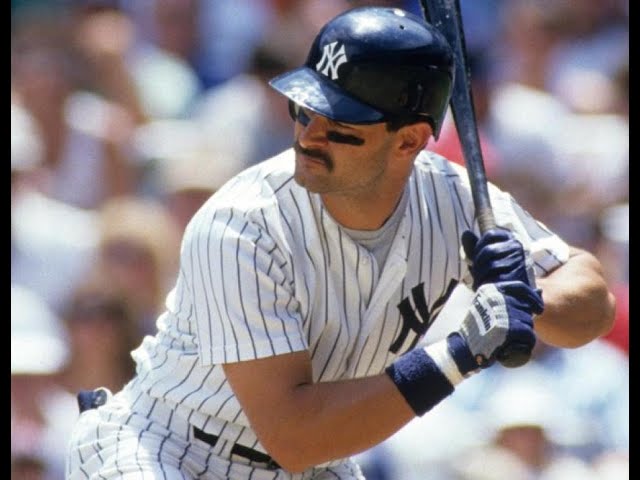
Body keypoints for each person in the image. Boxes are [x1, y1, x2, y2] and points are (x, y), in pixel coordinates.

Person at [65, 7, 615, 479]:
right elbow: (295, 434)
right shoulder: (242, 223)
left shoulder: (451, 197)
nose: (309, 136)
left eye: (340, 125)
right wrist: (462, 351)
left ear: (409, 141)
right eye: (304, 109)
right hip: (170, 448)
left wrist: (528, 296)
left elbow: (594, 305)